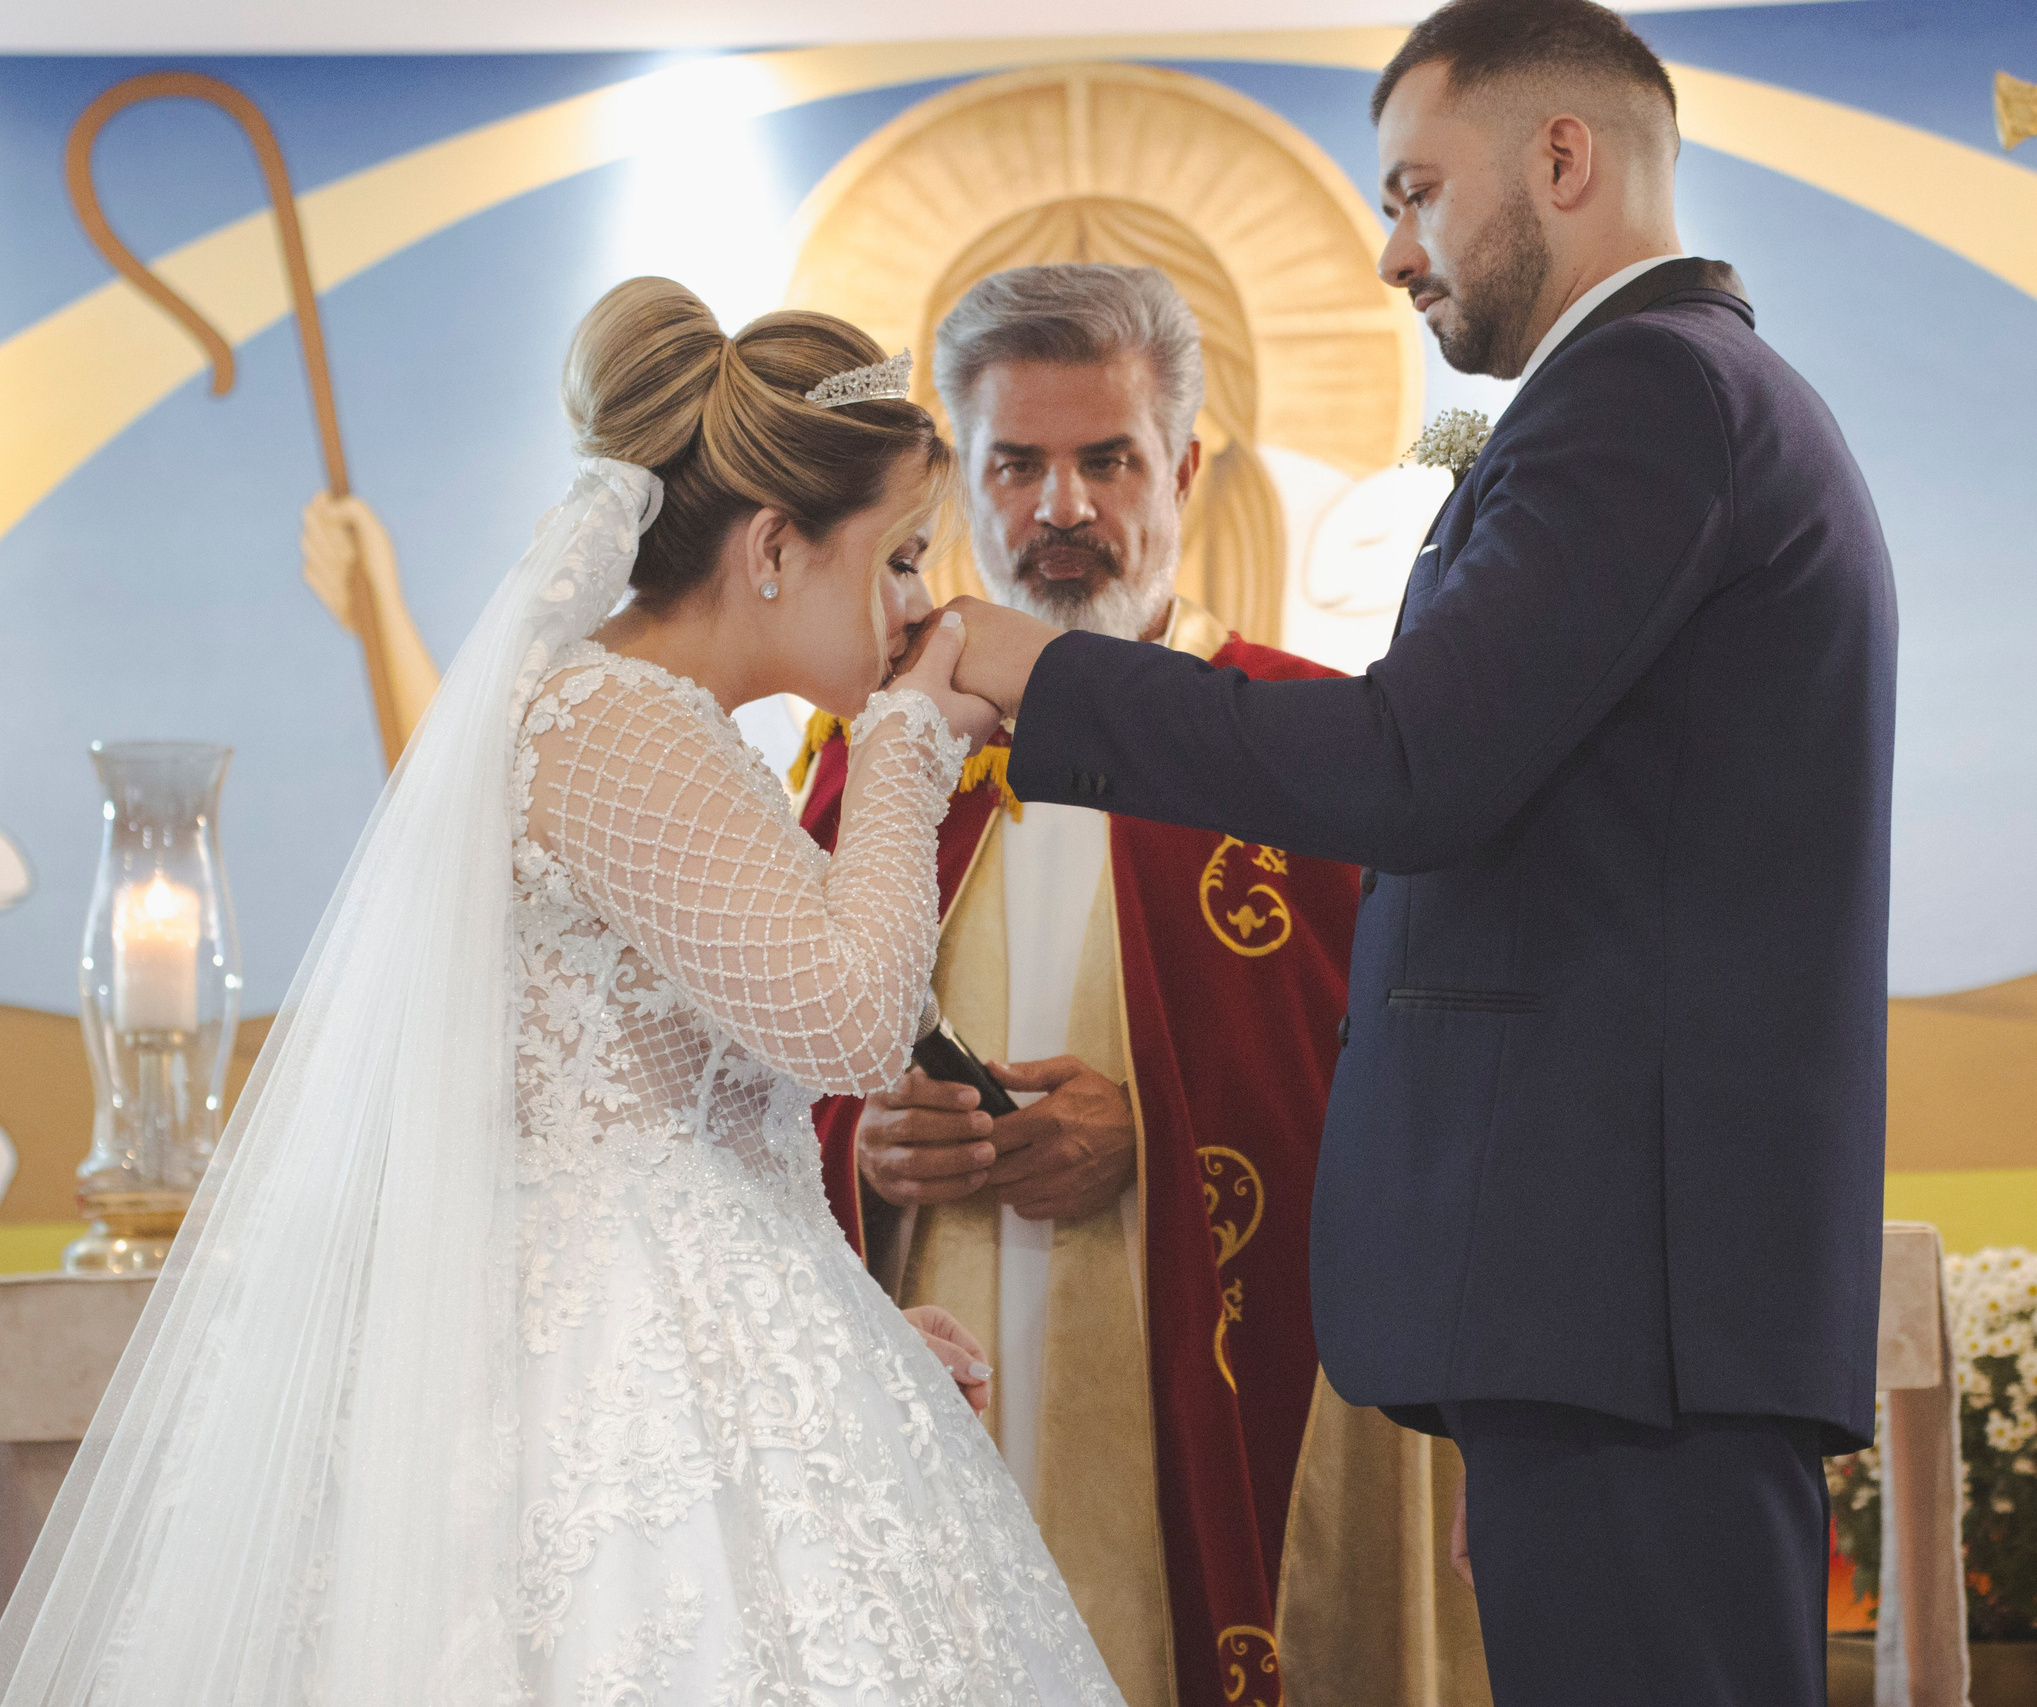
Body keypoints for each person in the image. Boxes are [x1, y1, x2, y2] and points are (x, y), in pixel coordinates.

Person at [939, 3, 1899, 1703]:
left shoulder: (1649, 398)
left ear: (1561, 158)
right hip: (1602, 1318)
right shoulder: (1661, 401)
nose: (1392, 252)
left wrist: (1051, 677)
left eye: (1415, 190)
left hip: (1627, 1312)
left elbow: (1413, 764)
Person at [0, 277, 1126, 1707]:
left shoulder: (671, 733)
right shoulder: (609, 722)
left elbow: (719, 1114)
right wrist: (912, 741)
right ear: (775, 548)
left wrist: (839, 1335)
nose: (917, 607)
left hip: (692, 1347)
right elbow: (850, 1024)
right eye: (899, 558)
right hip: (598, 1387)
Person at [793, 263, 1488, 1707]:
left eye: (1106, 459)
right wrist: (866, 1152)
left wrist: (1161, 1144)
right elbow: (753, 1086)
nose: (1062, 508)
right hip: (946, 1386)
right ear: (958, 487)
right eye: (1019, 464)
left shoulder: (1311, 747)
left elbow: (1421, 1111)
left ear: (1180, 465)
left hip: (1220, 1400)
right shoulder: (876, 754)